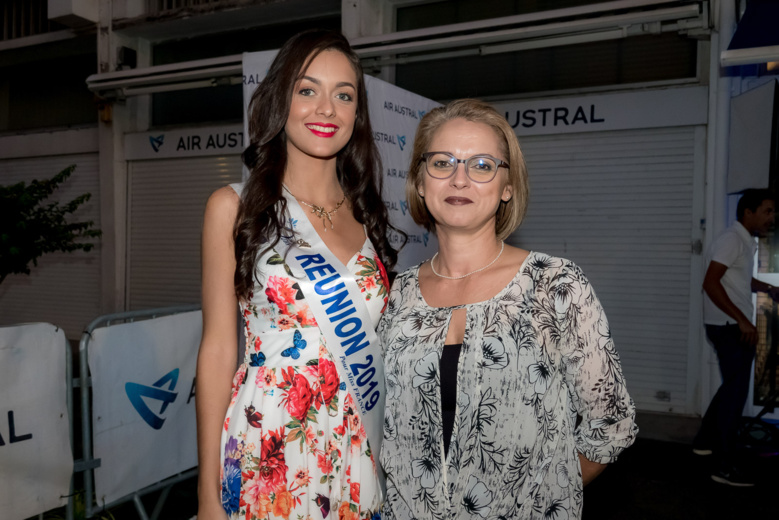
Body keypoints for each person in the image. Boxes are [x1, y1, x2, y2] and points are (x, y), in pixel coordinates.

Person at [377, 99, 638, 520]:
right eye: (442, 162)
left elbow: (611, 424)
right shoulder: (400, 295)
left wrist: (539, 497)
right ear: (421, 182)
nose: (459, 178)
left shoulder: (555, 284)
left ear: (507, 186)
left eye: (481, 165)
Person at [196, 29, 397, 520]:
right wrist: (206, 492)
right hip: (270, 443)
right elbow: (219, 350)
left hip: (357, 449)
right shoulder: (234, 207)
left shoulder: (367, 215)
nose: (326, 108)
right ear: (279, 100)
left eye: (343, 95)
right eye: (307, 90)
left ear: (357, 113)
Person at [693, 188, 777, 487]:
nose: (772, 217)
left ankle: (703, 441)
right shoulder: (731, 240)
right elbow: (711, 283)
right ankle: (725, 467)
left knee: (731, 387)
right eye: (767, 211)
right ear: (748, 212)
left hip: (730, 325)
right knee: (736, 393)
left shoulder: (742, 241)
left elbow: (736, 278)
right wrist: (743, 321)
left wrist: (766, 288)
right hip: (729, 327)